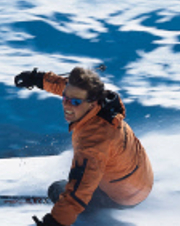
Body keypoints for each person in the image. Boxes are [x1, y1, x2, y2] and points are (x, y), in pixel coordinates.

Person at [14, 67, 153, 226]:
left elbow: (80, 189)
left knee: (56, 189)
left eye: (75, 102)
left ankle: (91, 209)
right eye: (65, 98)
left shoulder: (93, 139)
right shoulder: (101, 101)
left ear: (91, 102)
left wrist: (55, 222)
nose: (67, 106)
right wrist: (37, 79)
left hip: (125, 196)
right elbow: (68, 88)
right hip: (141, 176)